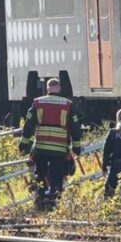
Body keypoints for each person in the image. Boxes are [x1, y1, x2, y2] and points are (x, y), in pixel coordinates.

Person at [19, 78, 82, 211]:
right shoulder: (68, 104)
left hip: (41, 147)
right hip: (59, 148)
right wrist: (76, 147)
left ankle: (40, 203)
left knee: (40, 175)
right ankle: (54, 204)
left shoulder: (38, 102)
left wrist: (24, 144)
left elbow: (28, 124)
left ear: (47, 88)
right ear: (59, 88)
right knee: (57, 176)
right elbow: (75, 126)